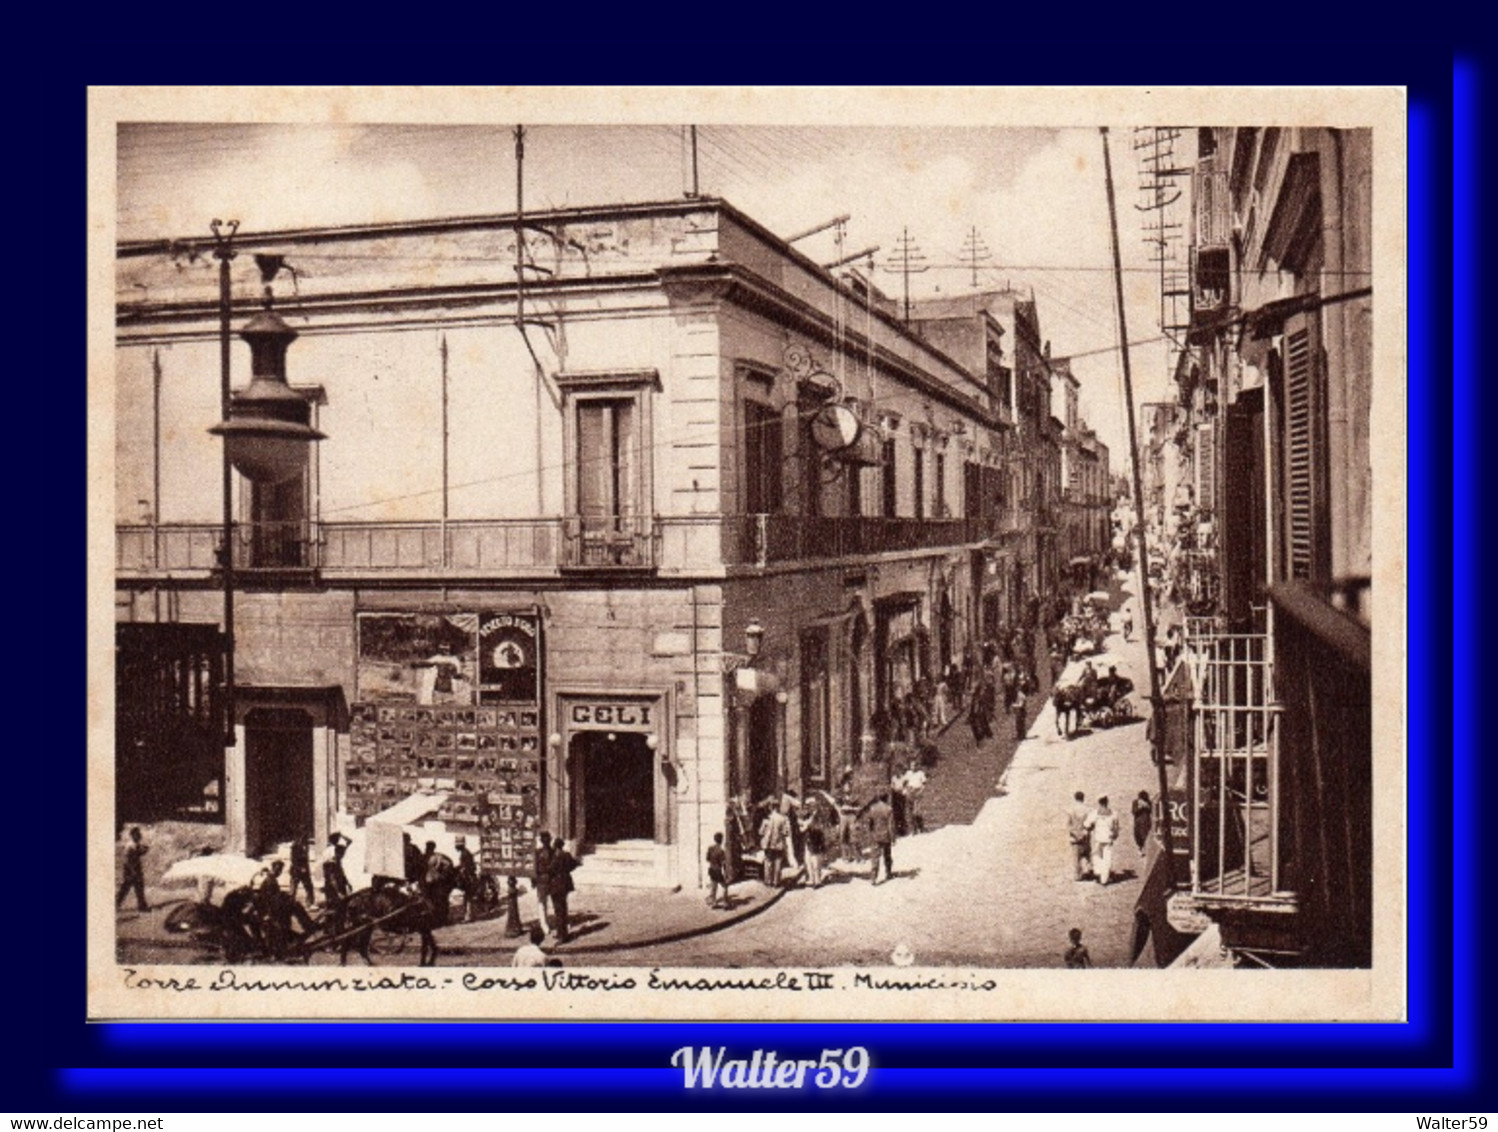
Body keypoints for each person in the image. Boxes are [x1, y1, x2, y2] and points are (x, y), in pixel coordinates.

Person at [548, 838, 580, 942]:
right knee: (563, 908)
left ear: (555, 846)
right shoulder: (566, 855)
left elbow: (550, 870)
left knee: (558, 910)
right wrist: (566, 871)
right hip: (565, 884)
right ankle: (563, 933)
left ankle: (561, 935)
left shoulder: (554, 856)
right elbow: (574, 864)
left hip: (555, 884)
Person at [1085, 796, 1121, 886]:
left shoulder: (1095, 813)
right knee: (1107, 858)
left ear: (1099, 802)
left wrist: (1091, 827)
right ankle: (1104, 878)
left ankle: (1099, 872)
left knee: (1097, 856)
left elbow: (1086, 824)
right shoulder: (1113, 813)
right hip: (1108, 838)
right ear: (1107, 802)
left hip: (1098, 838)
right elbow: (1116, 827)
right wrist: (1115, 835)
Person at [863, 793, 895, 885]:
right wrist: (892, 838)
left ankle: (873, 878)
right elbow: (890, 825)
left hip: (875, 835)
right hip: (886, 836)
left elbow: (869, 823)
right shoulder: (888, 809)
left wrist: (870, 833)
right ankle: (888, 873)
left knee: (875, 857)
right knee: (887, 855)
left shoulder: (872, 808)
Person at [116, 827, 149, 912]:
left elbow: (138, 854)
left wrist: (144, 850)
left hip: (135, 868)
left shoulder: (136, 844)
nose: (139, 836)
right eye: (137, 834)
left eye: (139, 834)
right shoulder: (129, 845)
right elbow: (127, 859)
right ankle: (116, 904)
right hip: (130, 868)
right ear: (133, 835)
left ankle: (142, 906)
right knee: (126, 888)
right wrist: (132, 870)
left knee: (139, 887)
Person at [759, 804, 792, 888]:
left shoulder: (766, 819)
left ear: (771, 808)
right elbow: (786, 833)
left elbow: (760, 832)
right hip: (779, 844)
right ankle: (776, 882)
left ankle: (768, 881)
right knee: (778, 863)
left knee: (768, 862)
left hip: (768, 844)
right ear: (778, 808)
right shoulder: (783, 819)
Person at [1066, 792, 1093, 880]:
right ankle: (1089, 871)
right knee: (1088, 855)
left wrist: (1075, 833)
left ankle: (1078, 875)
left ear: (1075, 798)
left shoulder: (1070, 810)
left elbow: (1068, 824)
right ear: (1083, 798)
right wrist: (1087, 831)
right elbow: (1091, 823)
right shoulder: (1088, 809)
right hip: (1085, 836)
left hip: (1075, 837)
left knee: (1076, 858)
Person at [321, 833, 352, 911]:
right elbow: (332, 879)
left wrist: (347, 883)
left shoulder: (336, 858)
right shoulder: (331, 860)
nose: (342, 856)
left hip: (339, 885)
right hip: (334, 888)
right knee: (335, 909)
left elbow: (349, 842)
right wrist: (338, 892)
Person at [533, 831, 554, 934]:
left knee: (551, 901)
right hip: (541, 879)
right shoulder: (537, 852)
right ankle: (543, 923)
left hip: (552, 879)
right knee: (542, 902)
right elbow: (534, 867)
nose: (547, 842)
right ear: (542, 841)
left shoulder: (553, 851)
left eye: (548, 839)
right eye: (545, 840)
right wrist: (534, 879)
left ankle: (549, 922)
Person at [455, 836, 480, 921]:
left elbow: (465, 867)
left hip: (468, 878)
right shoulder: (465, 852)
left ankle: (469, 916)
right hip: (470, 877)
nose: (456, 847)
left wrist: (459, 869)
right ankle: (469, 915)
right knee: (468, 897)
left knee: (468, 897)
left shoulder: (464, 853)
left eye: (457, 845)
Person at [289, 834, 317, 907]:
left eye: (306, 838)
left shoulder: (306, 846)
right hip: (296, 871)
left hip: (305, 871)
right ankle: (289, 904)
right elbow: (293, 860)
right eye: (304, 838)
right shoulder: (295, 846)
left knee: (309, 887)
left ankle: (310, 903)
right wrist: (300, 868)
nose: (305, 840)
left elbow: (306, 860)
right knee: (293, 889)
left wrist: (307, 869)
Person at [800, 815, 826, 888]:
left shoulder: (814, 827)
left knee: (814, 864)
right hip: (811, 846)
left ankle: (815, 880)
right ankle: (815, 880)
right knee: (813, 864)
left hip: (813, 847)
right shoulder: (813, 827)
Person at [706, 832, 730, 909]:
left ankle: (714, 903)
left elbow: (707, 859)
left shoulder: (710, 848)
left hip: (711, 870)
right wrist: (726, 873)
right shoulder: (721, 851)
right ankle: (725, 903)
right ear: (721, 840)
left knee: (713, 886)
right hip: (718, 870)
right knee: (724, 886)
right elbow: (723, 863)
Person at [902, 761, 928, 835]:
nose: (913, 767)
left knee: (916, 811)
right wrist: (905, 790)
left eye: (915, 765)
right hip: (910, 791)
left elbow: (924, 784)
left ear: (917, 766)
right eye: (912, 765)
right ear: (910, 766)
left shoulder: (920, 773)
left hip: (917, 791)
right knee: (910, 811)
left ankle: (921, 827)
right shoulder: (908, 773)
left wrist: (921, 791)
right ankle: (914, 829)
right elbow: (904, 782)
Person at [1132, 791, 1153, 856]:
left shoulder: (1149, 803)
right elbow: (1134, 811)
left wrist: (1146, 806)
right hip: (1138, 822)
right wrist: (1141, 807)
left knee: (1145, 836)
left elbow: (1151, 811)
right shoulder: (1135, 802)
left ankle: (1144, 849)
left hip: (1146, 822)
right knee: (1137, 836)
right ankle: (1141, 848)